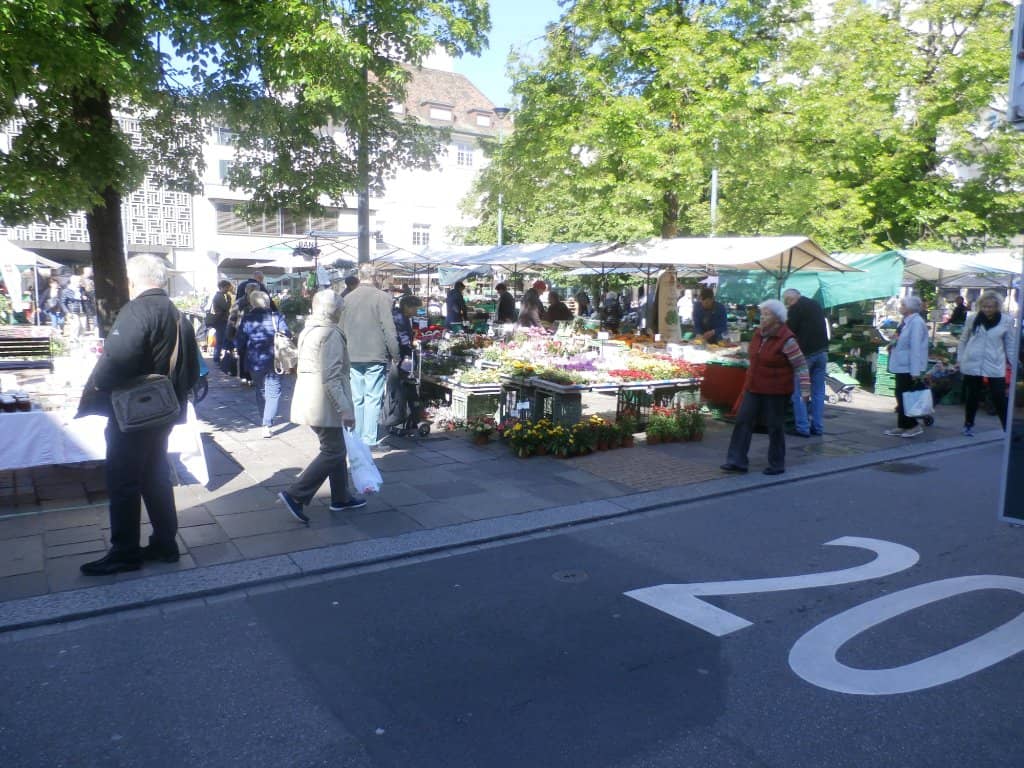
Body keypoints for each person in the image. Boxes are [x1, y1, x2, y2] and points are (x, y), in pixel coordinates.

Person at [76, 254, 200, 575]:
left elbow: (112, 365)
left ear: (133, 280)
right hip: (165, 410)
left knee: (124, 480)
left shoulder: (138, 310)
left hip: (133, 414)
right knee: (156, 475)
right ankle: (165, 543)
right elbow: (194, 369)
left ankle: (125, 552)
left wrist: (96, 388)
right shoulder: (177, 314)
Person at [278, 290, 365, 523]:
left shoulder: (309, 329)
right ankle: (296, 494)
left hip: (311, 398)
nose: (343, 312)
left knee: (336, 447)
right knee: (333, 450)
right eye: (341, 309)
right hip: (324, 402)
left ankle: (341, 497)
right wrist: (345, 408)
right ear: (334, 310)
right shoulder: (331, 334)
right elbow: (332, 376)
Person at [722, 299, 809, 476]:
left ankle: (777, 464)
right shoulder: (758, 334)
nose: (762, 317)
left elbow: (800, 365)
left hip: (776, 390)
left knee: (774, 426)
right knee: (743, 421)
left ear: (777, 318)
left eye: (766, 314)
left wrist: (806, 389)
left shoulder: (787, 339)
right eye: (762, 314)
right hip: (753, 386)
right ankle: (736, 461)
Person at [338, 266, 400, 448]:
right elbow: (389, 328)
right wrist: (395, 353)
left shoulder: (347, 298)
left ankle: (357, 438)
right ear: (375, 277)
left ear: (359, 277)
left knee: (357, 397)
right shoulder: (383, 298)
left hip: (352, 354)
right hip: (375, 354)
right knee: (373, 397)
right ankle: (369, 440)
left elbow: (340, 328)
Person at [956, 291, 1013, 436]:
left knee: (999, 396)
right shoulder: (972, 319)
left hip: (994, 363)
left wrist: (1012, 362)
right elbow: (963, 340)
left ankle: (1007, 428)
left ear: (997, 307)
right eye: (984, 306)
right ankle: (968, 424)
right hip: (972, 362)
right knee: (972, 396)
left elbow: (1010, 344)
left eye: (991, 307)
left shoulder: (1006, 321)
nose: (987, 309)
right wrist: (960, 359)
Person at [236, 291, 289, 438]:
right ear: (267, 302)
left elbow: (239, 341)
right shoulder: (275, 316)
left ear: (252, 303)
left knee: (260, 390)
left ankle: (264, 419)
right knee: (273, 392)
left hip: (254, 360)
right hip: (275, 359)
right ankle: (267, 423)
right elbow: (287, 334)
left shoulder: (247, 319)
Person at [783, 288, 829, 437]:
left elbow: (789, 332)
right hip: (822, 352)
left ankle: (802, 427)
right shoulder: (815, 304)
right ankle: (818, 427)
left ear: (790, 300)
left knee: (800, 393)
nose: (787, 305)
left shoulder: (795, 309)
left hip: (805, 356)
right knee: (818, 392)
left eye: (787, 302)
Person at [884, 295, 929, 438]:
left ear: (910, 308)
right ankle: (902, 425)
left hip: (908, 366)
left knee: (906, 397)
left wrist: (915, 371)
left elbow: (916, 347)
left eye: (903, 305)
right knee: (900, 395)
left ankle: (913, 425)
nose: (900, 307)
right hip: (901, 364)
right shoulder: (905, 322)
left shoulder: (916, 322)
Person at [210, 279, 233, 364]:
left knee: (221, 339)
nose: (228, 289)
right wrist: (229, 300)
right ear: (222, 287)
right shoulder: (219, 296)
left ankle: (218, 358)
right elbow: (225, 307)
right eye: (227, 287)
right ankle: (217, 359)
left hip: (221, 320)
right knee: (220, 340)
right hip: (220, 321)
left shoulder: (221, 296)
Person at [61, 275, 85, 339]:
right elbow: (62, 303)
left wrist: (85, 298)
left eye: (80, 281)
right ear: (74, 282)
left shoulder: (82, 289)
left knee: (83, 327)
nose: (80, 283)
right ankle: (73, 341)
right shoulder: (66, 291)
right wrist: (67, 312)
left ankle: (81, 342)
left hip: (82, 311)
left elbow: (85, 298)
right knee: (76, 326)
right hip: (72, 311)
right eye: (79, 281)